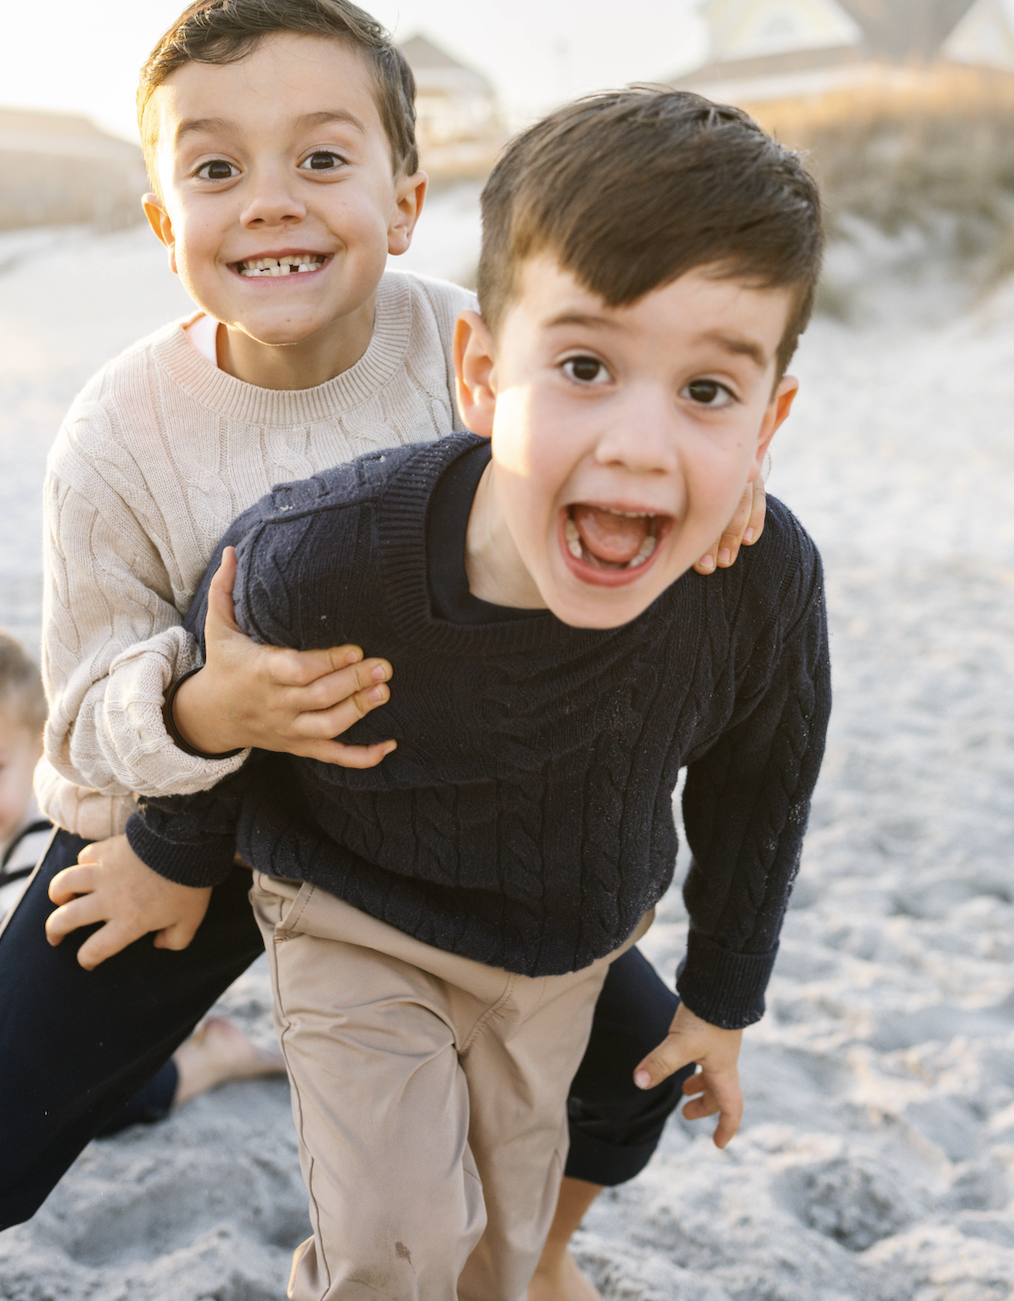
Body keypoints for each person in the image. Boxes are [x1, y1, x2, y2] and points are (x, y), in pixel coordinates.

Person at [0, 0, 760, 1301]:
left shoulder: (481, 354)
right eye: (217, 167)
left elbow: (622, 453)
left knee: (628, 1079)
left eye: (322, 157)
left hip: (432, 825)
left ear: (404, 195)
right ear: (168, 222)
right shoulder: (120, 434)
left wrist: (703, 501)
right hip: (177, 832)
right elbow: (87, 704)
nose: (270, 197)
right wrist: (204, 713)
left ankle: (542, 1254)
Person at [114, 85, 831, 1297]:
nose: (643, 446)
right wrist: (172, 848)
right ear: (485, 375)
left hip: (557, 948)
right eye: (588, 365)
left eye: (708, 393)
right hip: (354, 908)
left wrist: (722, 998)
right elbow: (222, 650)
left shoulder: (756, 586)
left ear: (767, 424)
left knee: (500, 1244)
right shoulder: (330, 553)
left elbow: (764, 783)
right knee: (398, 1242)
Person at [0, 628, 278, 1170]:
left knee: (71, 1114)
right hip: (13, 1013)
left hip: (107, 1017)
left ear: (39, 753)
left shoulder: (45, 842)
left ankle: (214, 1060)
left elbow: (42, 1009)